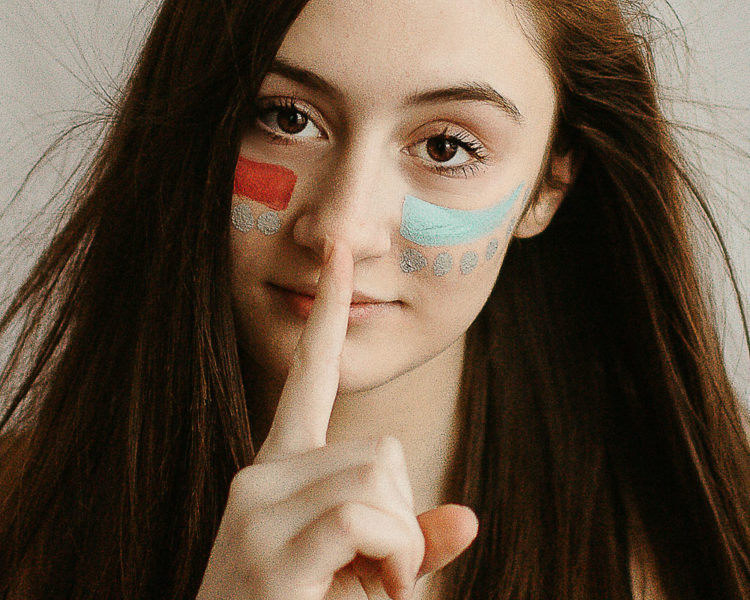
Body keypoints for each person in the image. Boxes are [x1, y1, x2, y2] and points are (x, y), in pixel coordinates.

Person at [0, 0, 749, 598]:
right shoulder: (18, 525)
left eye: (446, 147)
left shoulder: (707, 550)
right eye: (287, 118)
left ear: (550, 187)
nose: (341, 230)